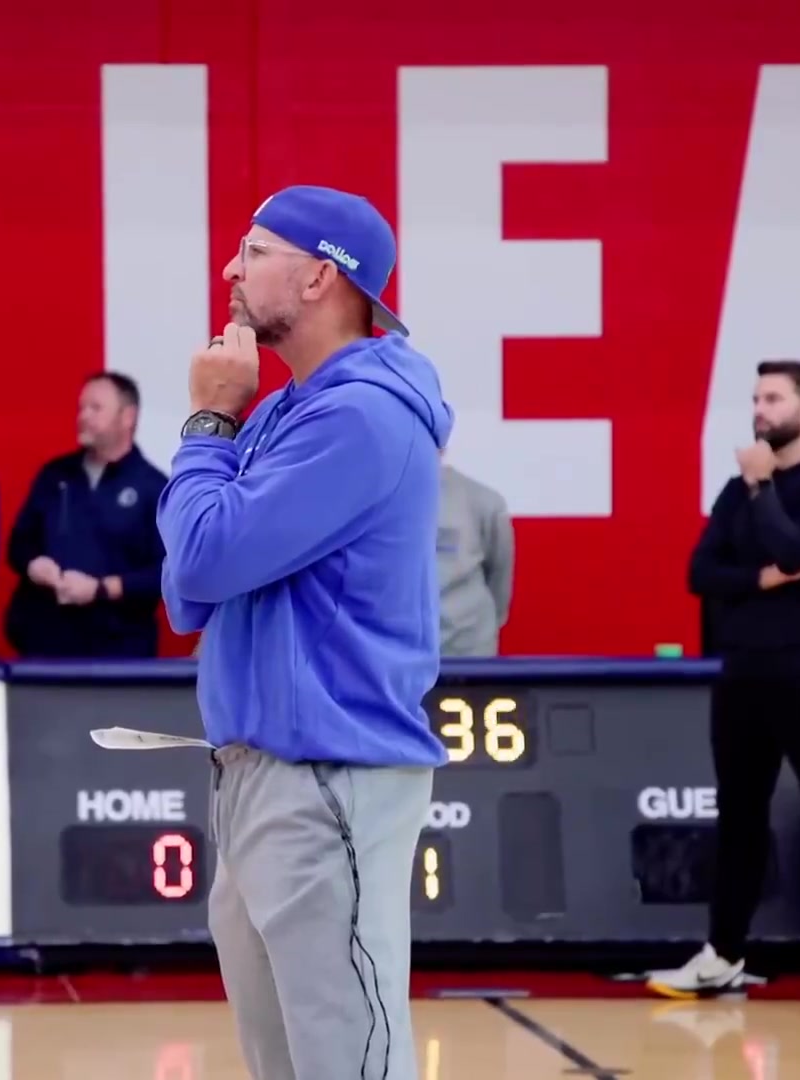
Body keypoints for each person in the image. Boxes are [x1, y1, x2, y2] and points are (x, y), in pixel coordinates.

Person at [159, 185, 454, 1080]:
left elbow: (200, 561)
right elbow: (189, 595)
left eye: (254, 252)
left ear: (321, 276)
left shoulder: (359, 417)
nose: (229, 268)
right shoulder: (290, 411)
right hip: (261, 773)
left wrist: (208, 423)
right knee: (288, 1063)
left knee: (346, 1061)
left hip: (327, 776)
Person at [651, 359, 800, 1017]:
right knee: (739, 817)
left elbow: (795, 550)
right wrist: (758, 578)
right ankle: (724, 953)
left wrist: (763, 491)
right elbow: (701, 572)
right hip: (743, 671)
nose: (760, 410)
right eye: (756, 398)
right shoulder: (737, 491)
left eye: (774, 398)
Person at [4, 371, 168, 658]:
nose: (83, 416)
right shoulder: (55, 475)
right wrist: (34, 565)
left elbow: (167, 573)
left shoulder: (154, 487)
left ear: (127, 417)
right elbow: (20, 542)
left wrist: (101, 589)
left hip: (120, 650)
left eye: (96, 408)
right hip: (46, 645)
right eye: (81, 408)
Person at [436, 455, 514, 657]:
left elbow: (500, 576)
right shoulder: (374, 499)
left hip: (469, 651)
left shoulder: (484, 501)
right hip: (395, 656)